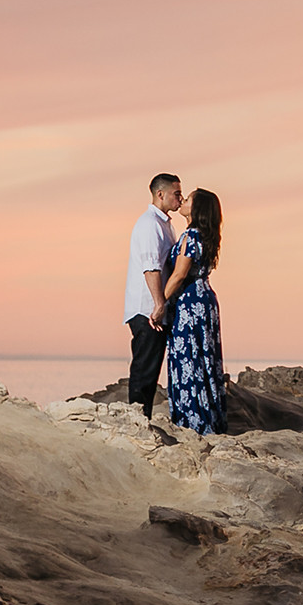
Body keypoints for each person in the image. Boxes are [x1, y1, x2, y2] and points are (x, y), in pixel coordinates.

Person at [152, 187, 225, 435]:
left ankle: (194, 421)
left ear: (197, 209)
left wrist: (159, 303)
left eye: (189, 198)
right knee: (202, 359)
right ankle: (207, 416)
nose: (183, 200)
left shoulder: (191, 236)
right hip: (203, 300)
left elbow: (180, 274)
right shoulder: (203, 235)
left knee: (190, 359)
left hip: (190, 302)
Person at [124, 173, 181, 417]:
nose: (181, 198)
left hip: (156, 309)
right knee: (144, 369)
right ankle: (136, 421)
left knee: (151, 368)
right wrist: (159, 304)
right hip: (146, 309)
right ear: (161, 194)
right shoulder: (149, 224)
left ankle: (141, 418)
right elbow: (151, 267)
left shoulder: (165, 224)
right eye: (176, 193)